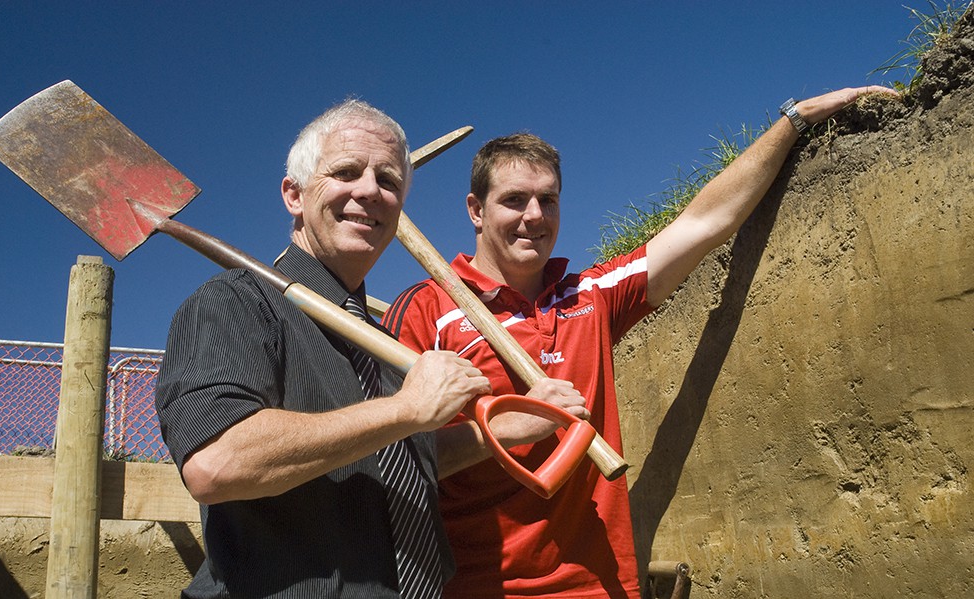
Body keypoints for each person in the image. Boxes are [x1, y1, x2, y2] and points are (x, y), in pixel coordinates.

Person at [381, 86, 898, 598]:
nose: (534, 216)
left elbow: (705, 223)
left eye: (548, 200)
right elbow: (386, 462)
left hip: (603, 585)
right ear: (475, 210)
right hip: (474, 585)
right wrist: (511, 427)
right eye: (513, 200)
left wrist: (795, 119)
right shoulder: (427, 312)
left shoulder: (590, 296)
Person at [156, 99, 503, 598]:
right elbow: (218, 461)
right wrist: (408, 409)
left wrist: (503, 432)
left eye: (388, 180)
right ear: (293, 195)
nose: (369, 190)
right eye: (345, 172)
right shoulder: (234, 302)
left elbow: (394, 462)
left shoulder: (385, 347)